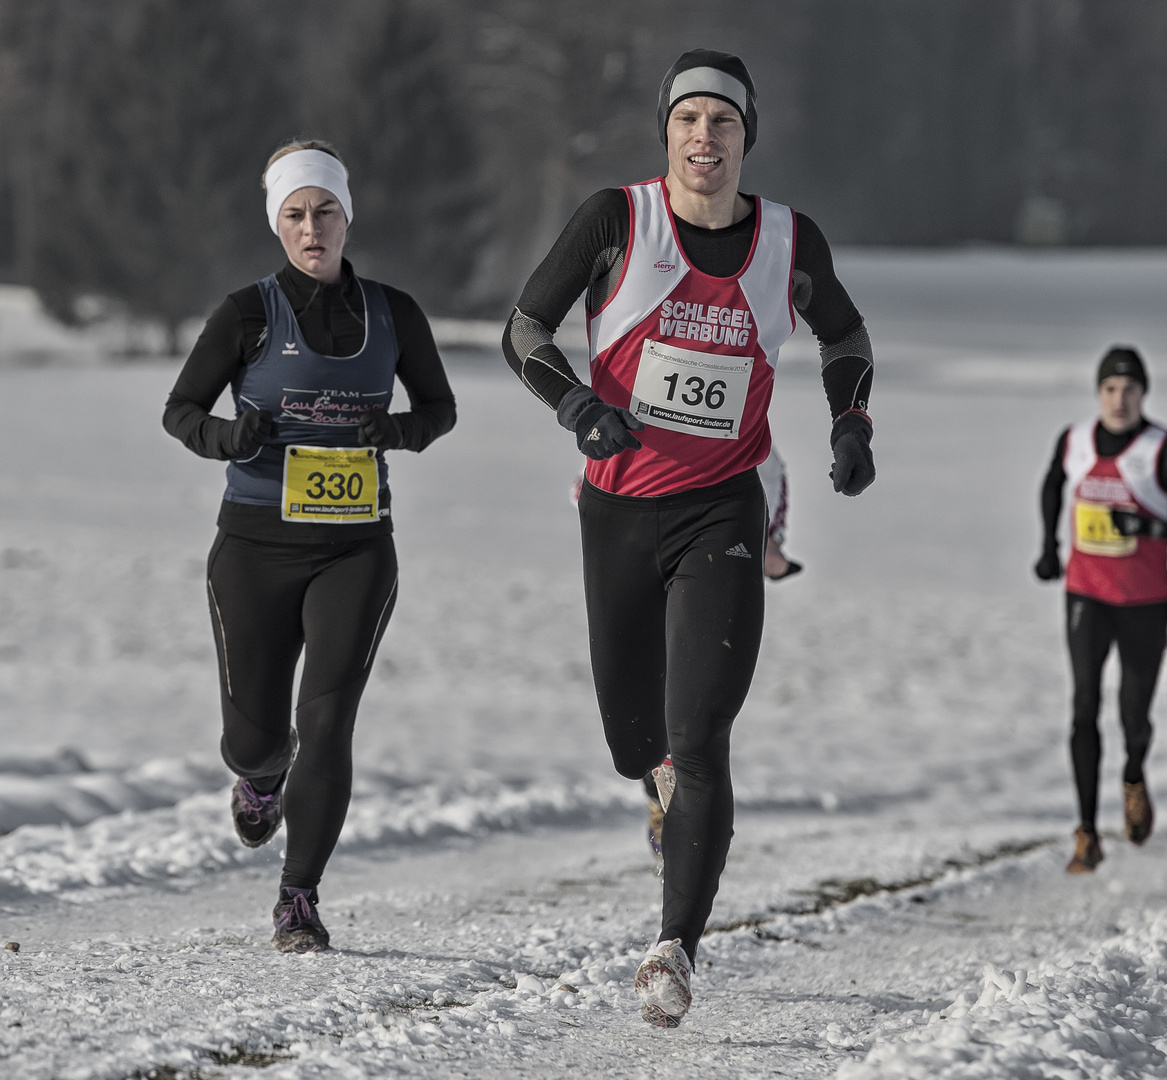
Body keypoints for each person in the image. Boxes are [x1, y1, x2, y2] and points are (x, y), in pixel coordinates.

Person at [501, 49, 875, 1028]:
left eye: (722, 122)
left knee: (700, 733)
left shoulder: (788, 242)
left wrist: (850, 422)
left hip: (721, 510)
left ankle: (673, 949)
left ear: (747, 138)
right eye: (687, 120)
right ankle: (655, 783)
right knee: (636, 736)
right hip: (616, 509)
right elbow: (524, 329)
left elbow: (846, 337)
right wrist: (578, 407)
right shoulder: (615, 221)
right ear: (665, 133)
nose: (703, 138)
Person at [162, 141, 456, 952]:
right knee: (254, 740)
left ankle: (299, 897)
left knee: (326, 724)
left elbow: (439, 407)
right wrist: (226, 436)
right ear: (277, 226)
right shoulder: (246, 314)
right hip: (253, 548)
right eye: (295, 214)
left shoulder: (394, 313)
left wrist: (398, 429)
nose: (311, 226)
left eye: (325, 210)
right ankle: (260, 779)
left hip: (354, 552)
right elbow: (180, 409)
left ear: (347, 217)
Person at [1035, 346, 1167, 872]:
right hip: (1086, 593)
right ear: (1098, 393)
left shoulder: (1165, 451)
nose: (1120, 400)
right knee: (1083, 706)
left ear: (1144, 394)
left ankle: (1134, 774)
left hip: (1144, 602)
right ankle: (1087, 831)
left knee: (1133, 714)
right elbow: (1052, 484)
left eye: (1130, 390)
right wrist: (1048, 547)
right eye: (1111, 390)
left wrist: (1154, 528)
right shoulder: (1073, 442)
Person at [757, 443, 802, 580]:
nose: (770, 571)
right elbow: (775, 480)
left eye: (769, 573)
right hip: (756, 455)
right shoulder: (774, 525)